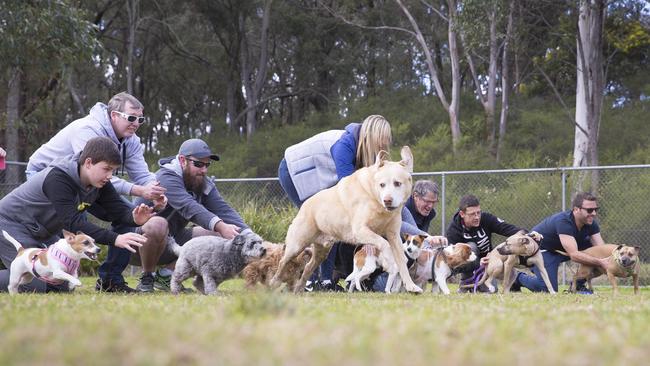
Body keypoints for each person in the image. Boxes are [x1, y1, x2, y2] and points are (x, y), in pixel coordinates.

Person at [26, 92, 167, 293]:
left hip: (86, 184)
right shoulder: (88, 129)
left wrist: (155, 191)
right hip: (45, 176)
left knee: (127, 216)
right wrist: (137, 189)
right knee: (73, 221)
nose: (136, 123)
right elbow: (95, 173)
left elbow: (141, 175)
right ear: (114, 115)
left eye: (141, 119)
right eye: (131, 118)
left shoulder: (131, 140)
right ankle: (54, 273)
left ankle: (110, 280)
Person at [0, 137, 166, 293]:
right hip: (10, 223)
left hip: (40, 231)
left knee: (62, 283)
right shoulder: (58, 178)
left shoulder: (99, 182)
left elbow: (117, 210)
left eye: (113, 171)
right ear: (88, 163)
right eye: (106, 169)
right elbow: (73, 223)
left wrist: (135, 218)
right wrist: (115, 239)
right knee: (33, 284)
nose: (110, 176)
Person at [278, 115, 392, 291]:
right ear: (372, 137)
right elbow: (349, 194)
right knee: (321, 225)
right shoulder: (344, 146)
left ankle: (324, 281)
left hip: (320, 176)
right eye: (381, 143)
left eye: (386, 144)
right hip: (295, 171)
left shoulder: (364, 152)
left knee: (332, 226)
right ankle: (309, 281)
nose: (383, 148)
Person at [129, 138, 252, 292]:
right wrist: (220, 225)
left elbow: (223, 210)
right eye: (199, 164)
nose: (204, 170)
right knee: (158, 224)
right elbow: (189, 206)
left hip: (171, 244)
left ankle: (166, 276)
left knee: (221, 234)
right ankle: (147, 278)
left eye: (207, 165)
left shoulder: (202, 182)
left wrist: (250, 236)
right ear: (182, 160)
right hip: (136, 245)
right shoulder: (165, 177)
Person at [515, 192, 608, 294]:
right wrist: (601, 262)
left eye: (596, 209)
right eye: (589, 210)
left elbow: (601, 249)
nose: (594, 213)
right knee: (547, 289)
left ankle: (577, 285)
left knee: (597, 254)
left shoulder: (590, 222)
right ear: (576, 209)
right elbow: (574, 255)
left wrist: (615, 261)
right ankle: (516, 277)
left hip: (562, 250)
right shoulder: (564, 222)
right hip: (541, 250)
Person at [446, 194, 523, 292]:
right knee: (471, 247)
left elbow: (507, 228)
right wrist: (478, 263)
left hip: (488, 265)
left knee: (494, 289)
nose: (477, 217)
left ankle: (514, 284)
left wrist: (526, 235)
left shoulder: (486, 218)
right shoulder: (453, 230)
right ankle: (466, 282)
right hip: (470, 265)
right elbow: (453, 262)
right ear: (462, 214)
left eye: (478, 212)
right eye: (472, 214)